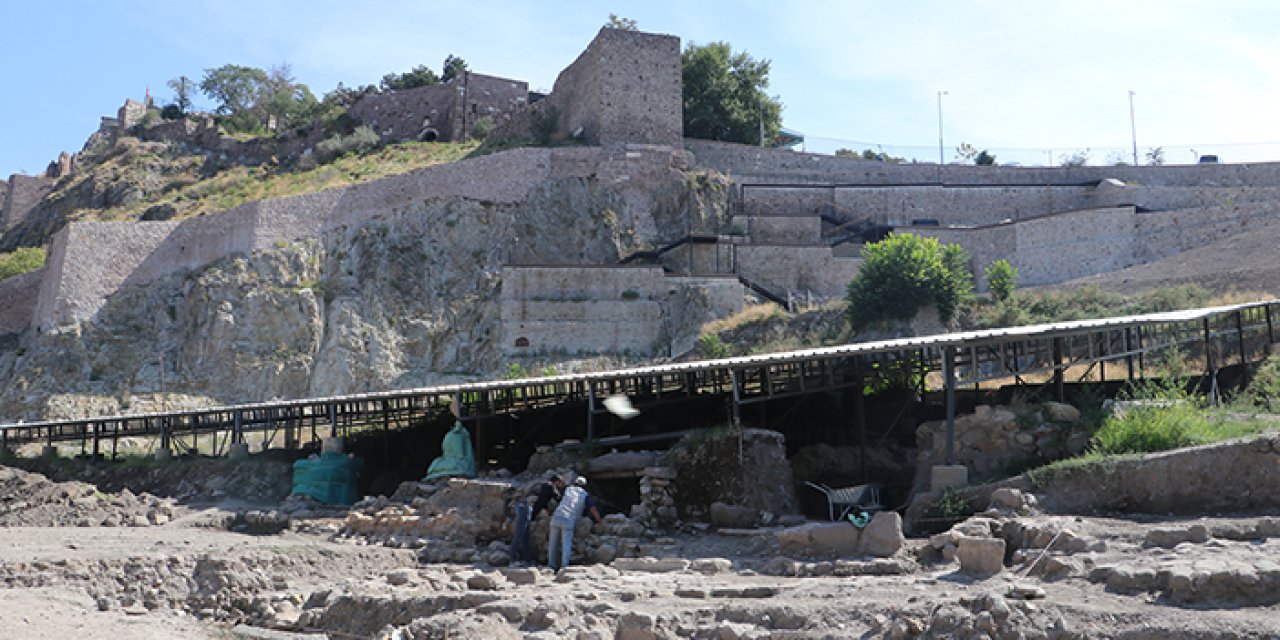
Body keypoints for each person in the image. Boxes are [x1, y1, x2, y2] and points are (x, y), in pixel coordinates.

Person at [548, 476, 603, 571]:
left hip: (556, 516)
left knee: (552, 543)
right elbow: (593, 509)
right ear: (585, 486)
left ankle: (551, 565)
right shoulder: (585, 495)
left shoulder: (568, 489)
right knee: (566, 543)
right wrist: (599, 520)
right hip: (568, 519)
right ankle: (564, 566)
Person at [509, 475, 564, 565]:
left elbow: (541, 500)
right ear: (557, 481)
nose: (560, 486)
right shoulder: (550, 486)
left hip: (522, 507)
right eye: (560, 484)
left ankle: (527, 559)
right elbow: (558, 498)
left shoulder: (541, 485)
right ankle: (512, 558)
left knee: (525, 536)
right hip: (526, 509)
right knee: (519, 534)